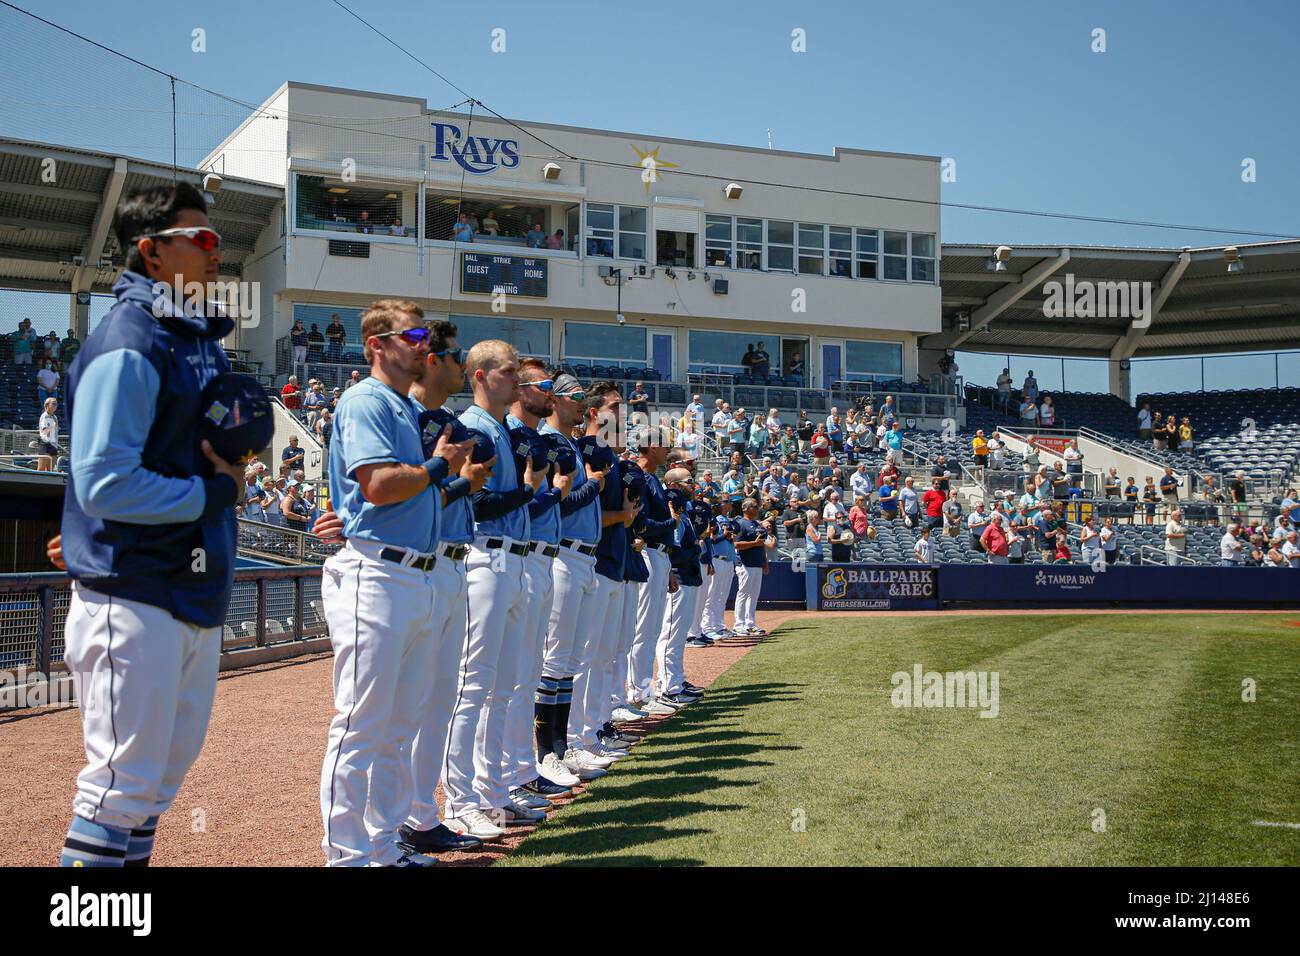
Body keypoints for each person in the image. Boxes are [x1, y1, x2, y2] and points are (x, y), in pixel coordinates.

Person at [55, 182, 248, 868]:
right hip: (135, 587)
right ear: (151, 252)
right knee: (117, 791)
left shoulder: (194, 337)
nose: (214, 252)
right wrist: (214, 495)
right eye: (199, 240)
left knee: (153, 788)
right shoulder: (130, 338)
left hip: (187, 587)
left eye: (216, 239)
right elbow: (104, 482)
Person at [732, 498, 771, 636]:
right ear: (747, 508)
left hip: (757, 563)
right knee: (743, 593)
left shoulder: (756, 524)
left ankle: (750, 624)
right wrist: (753, 544)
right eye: (755, 506)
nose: (757, 508)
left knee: (754, 595)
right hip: (745, 563)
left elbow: (762, 545)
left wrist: (765, 563)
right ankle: (738, 625)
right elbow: (736, 544)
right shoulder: (740, 523)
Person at [35, 396, 60, 471]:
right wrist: (53, 426)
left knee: (50, 469)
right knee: (41, 468)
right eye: (53, 403)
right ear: (47, 405)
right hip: (45, 443)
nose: (55, 405)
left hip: (53, 444)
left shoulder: (55, 417)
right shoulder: (44, 416)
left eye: (56, 404)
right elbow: (44, 431)